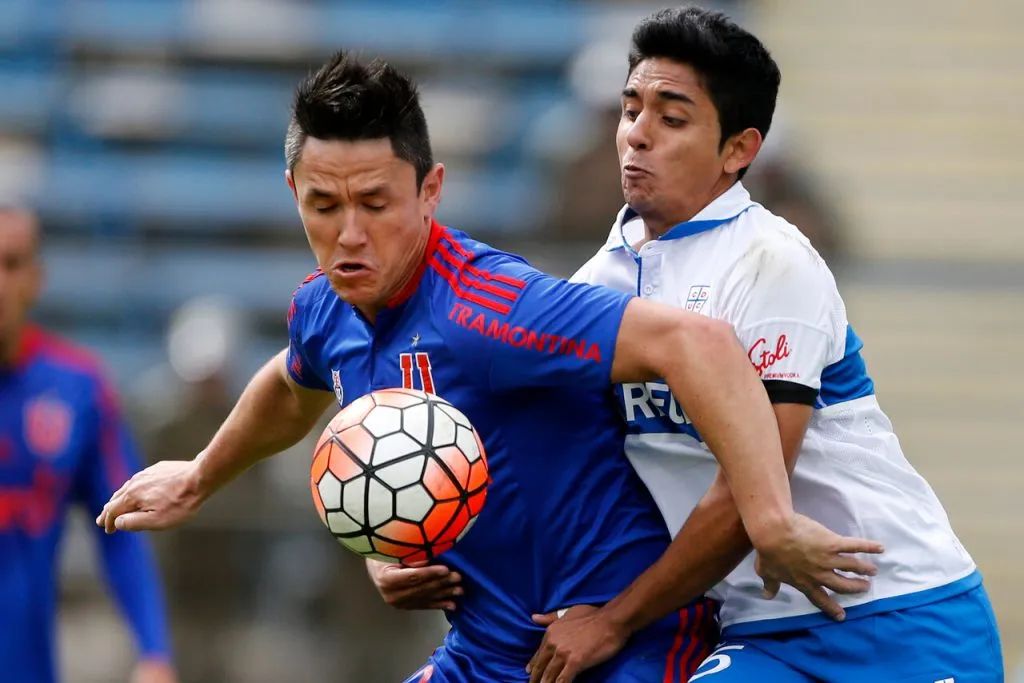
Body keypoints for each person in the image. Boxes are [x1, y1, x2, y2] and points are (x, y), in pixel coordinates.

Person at [95, 52, 881, 683]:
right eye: (323, 206)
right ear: (294, 192)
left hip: (622, 647)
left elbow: (699, 345)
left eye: (375, 202)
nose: (349, 235)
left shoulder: (491, 308)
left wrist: (767, 518)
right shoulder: (325, 307)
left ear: (430, 189)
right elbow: (294, 381)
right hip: (486, 652)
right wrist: (203, 475)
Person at [525, 7, 1004, 683]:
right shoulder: (594, 283)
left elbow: (748, 497)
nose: (636, 135)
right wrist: (424, 539)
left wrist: (614, 620)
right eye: (631, 109)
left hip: (903, 612)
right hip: (762, 629)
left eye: (672, 116)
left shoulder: (771, 262)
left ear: (739, 150)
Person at [0, 206, 178, 683]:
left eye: (11, 263)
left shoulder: (76, 390)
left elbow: (121, 528)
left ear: (35, 279)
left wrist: (154, 651)